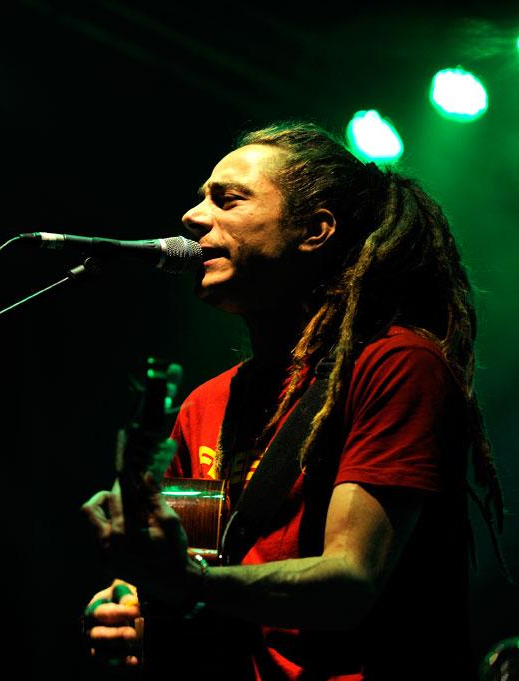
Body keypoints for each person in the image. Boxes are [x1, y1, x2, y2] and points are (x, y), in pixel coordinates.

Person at [82, 122, 507, 680]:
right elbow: (192, 568)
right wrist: (129, 599)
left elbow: (350, 581)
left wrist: (188, 584)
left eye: (226, 199)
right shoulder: (204, 406)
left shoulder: (396, 364)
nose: (191, 216)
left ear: (315, 229)